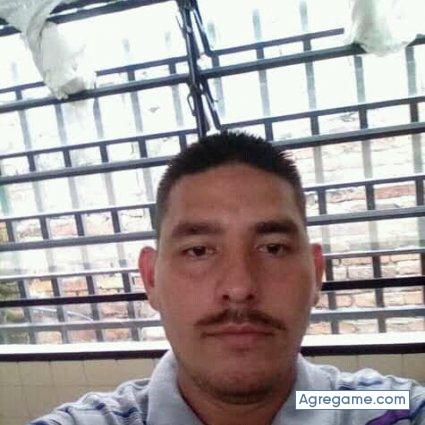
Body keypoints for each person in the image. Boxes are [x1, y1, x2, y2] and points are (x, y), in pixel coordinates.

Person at [30, 132, 424, 425]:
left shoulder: (385, 410)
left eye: (273, 248)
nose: (239, 287)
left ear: (316, 273)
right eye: (198, 250)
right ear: (151, 278)